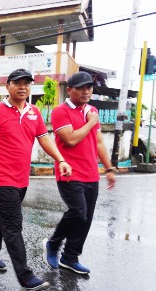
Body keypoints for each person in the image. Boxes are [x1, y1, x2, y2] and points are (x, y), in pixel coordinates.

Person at [0, 68, 71, 291]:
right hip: (0, 176)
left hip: (21, 177)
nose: (23, 87)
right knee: (13, 223)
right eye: (18, 83)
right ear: (8, 86)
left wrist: (60, 159)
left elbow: (44, 140)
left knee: (2, 216)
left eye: (27, 83)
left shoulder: (34, 112)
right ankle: (25, 276)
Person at [43, 71, 116, 275]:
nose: (86, 91)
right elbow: (70, 139)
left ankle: (70, 257)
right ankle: (53, 244)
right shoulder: (60, 111)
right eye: (81, 88)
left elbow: (99, 142)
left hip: (91, 173)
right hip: (69, 171)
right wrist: (91, 122)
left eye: (89, 88)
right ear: (69, 90)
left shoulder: (92, 110)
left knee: (86, 218)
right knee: (78, 211)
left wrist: (108, 169)